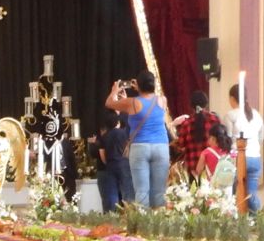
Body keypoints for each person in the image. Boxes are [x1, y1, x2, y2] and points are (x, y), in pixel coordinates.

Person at [105, 71, 169, 208]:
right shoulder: (162, 100)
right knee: (159, 191)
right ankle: (159, 224)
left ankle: (143, 225)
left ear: (139, 85)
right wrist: (140, 86)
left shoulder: (132, 103)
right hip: (161, 146)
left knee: (141, 191)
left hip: (140, 147)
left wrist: (115, 90)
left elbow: (109, 103)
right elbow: (151, 97)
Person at [225, 84, 264, 213]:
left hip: (238, 158)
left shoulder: (231, 115)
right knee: (251, 194)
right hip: (255, 158)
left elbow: (228, 139)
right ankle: (258, 220)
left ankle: (239, 222)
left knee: (235, 194)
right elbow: (261, 138)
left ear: (232, 98)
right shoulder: (256, 114)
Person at [173, 91, 227, 177]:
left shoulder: (187, 123)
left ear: (191, 106)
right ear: (206, 103)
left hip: (193, 169)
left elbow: (181, 144)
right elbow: (222, 140)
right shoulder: (215, 119)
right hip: (213, 168)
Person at [93, 101, 133, 210]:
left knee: (112, 194)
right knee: (127, 193)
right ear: (117, 122)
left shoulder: (104, 136)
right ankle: (130, 215)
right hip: (124, 164)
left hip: (110, 165)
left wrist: (109, 162)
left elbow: (102, 155)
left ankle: (112, 218)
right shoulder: (124, 133)